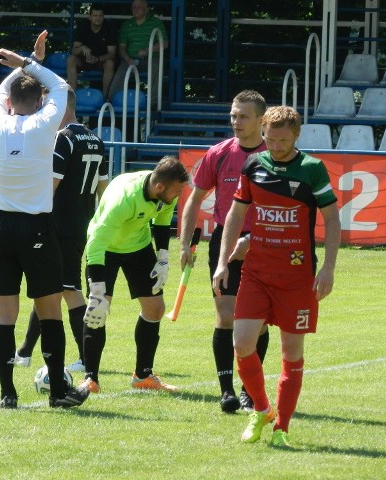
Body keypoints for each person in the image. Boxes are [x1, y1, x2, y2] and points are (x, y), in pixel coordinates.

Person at [212, 105, 340, 448]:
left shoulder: (312, 169)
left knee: (291, 352)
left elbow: (332, 221)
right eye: (270, 139)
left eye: (283, 140)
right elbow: (235, 216)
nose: (275, 146)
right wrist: (224, 261)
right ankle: (262, 410)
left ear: (296, 135)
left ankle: (282, 427)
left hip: (297, 278)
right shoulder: (254, 164)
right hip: (256, 271)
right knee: (241, 343)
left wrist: (327, 268)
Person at [0, 30, 90, 409]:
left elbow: (5, 91)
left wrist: (19, 63)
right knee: (49, 312)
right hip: (37, 228)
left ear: (10, 101)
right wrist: (28, 60)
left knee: (4, 316)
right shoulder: (47, 125)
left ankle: (7, 393)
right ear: (42, 102)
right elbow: (59, 84)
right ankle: (59, 393)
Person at [179, 90, 270, 414]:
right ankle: (227, 391)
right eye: (233, 115)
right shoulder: (218, 154)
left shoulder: (273, 156)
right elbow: (193, 200)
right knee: (227, 315)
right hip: (224, 242)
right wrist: (187, 242)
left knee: (258, 324)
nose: (236, 121)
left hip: (264, 243)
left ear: (261, 120)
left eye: (243, 116)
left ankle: (250, 390)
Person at [14, 86, 110, 373]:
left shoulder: (63, 139)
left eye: (48, 105)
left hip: (58, 224)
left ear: (61, 106)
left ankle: (85, 357)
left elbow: (50, 186)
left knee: (68, 289)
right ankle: (25, 352)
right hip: (81, 222)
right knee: (49, 286)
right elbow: (103, 190)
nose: (45, 111)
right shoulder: (95, 139)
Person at [82, 155, 189, 393]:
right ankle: (91, 379)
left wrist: (162, 256)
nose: (179, 196)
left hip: (138, 247)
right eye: (177, 191)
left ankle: (143, 376)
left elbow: (161, 223)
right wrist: (97, 290)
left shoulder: (164, 193)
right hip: (105, 249)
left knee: (155, 308)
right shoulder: (123, 199)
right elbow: (96, 243)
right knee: (97, 311)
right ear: (160, 186)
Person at [107, 0, 168, 105]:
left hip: (151, 59)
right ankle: (112, 102)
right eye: (133, 7)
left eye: (138, 7)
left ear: (146, 9)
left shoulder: (156, 23)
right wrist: (128, 59)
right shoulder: (127, 24)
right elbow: (121, 48)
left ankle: (153, 103)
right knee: (120, 74)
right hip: (130, 59)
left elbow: (165, 44)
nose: (135, 9)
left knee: (157, 66)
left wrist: (147, 50)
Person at [66, 4, 117, 100]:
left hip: (101, 61)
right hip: (85, 60)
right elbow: (74, 50)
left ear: (103, 17)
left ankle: (105, 98)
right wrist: (82, 48)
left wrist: (98, 59)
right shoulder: (83, 27)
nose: (97, 18)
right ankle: (72, 98)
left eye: (100, 16)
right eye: (95, 15)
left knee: (110, 63)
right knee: (71, 60)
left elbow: (112, 53)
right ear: (90, 17)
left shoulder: (109, 28)